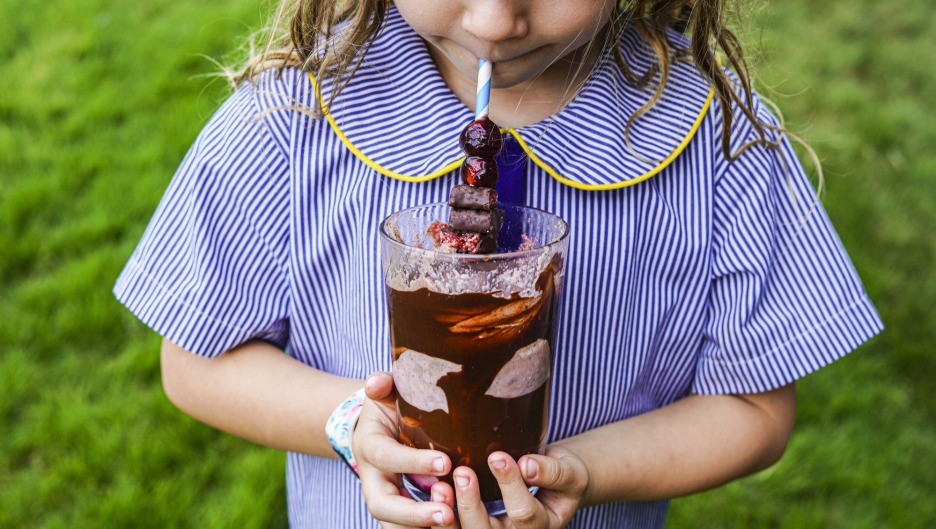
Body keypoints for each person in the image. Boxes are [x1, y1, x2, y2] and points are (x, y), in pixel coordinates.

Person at [113, 0, 883, 527]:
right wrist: (350, 421)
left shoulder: (718, 144)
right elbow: (195, 361)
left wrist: (580, 470)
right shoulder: (290, 117)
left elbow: (754, 412)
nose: (494, 20)